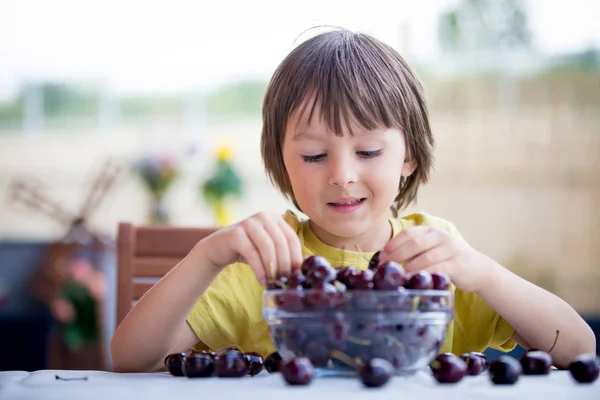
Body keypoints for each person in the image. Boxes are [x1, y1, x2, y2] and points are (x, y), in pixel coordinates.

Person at [110, 28, 596, 373]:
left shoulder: (437, 257)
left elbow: (577, 349)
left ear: (409, 156)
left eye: (367, 151)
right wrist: (209, 253)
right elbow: (131, 358)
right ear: (281, 160)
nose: (342, 176)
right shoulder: (268, 264)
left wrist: (485, 274)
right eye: (315, 154)